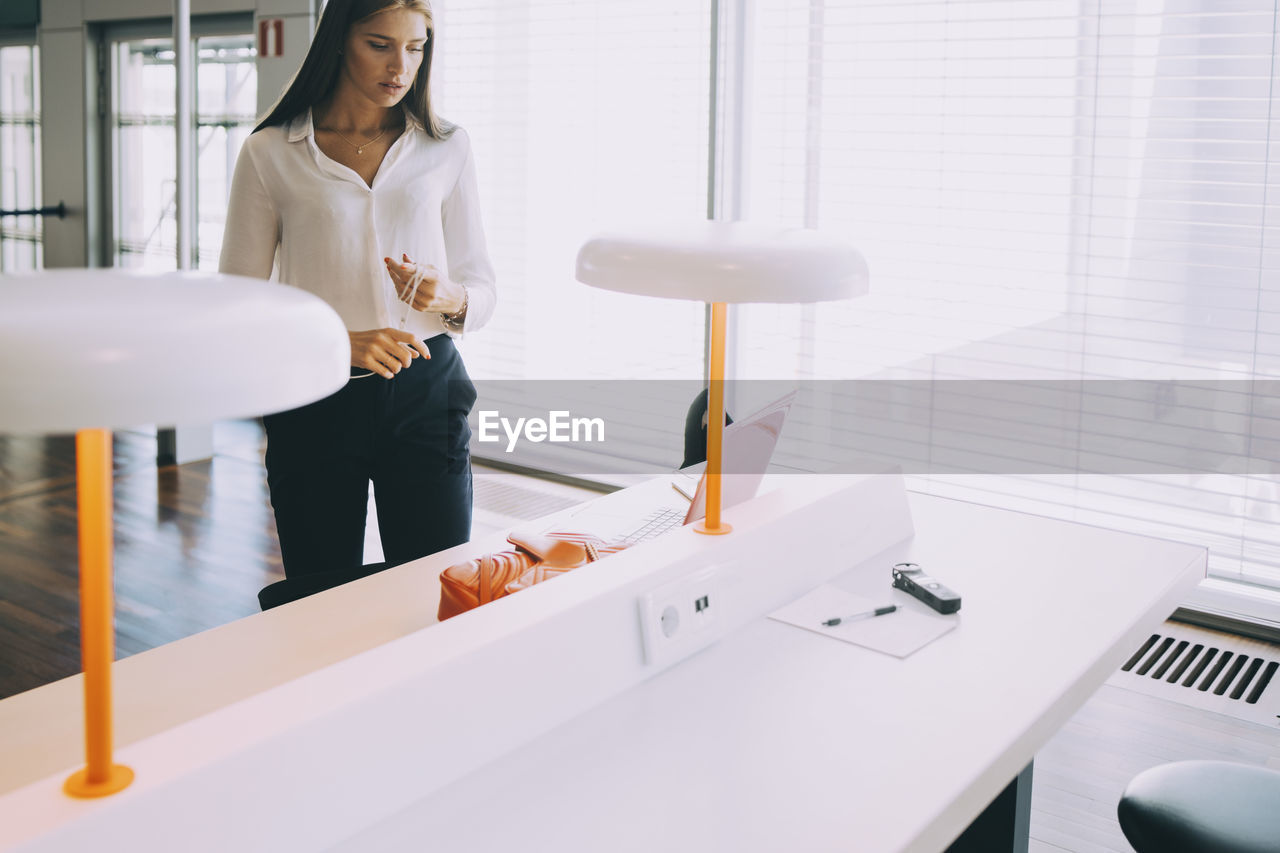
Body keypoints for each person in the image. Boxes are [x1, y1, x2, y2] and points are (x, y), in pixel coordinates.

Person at [219, 0, 494, 608]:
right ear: (339, 40)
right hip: (314, 401)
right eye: (380, 44)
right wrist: (338, 343)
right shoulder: (270, 152)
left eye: (417, 48)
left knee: (435, 592)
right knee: (320, 601)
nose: (402, 66)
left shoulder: (447, 147)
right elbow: (236, 309)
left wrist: (448, 297)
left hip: (428, 391)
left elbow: (481, 288)